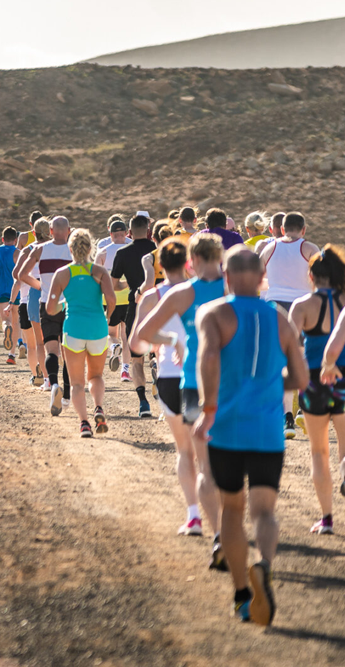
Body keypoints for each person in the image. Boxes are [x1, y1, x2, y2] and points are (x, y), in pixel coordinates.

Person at [194, 247, 308, 625]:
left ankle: (243, 594)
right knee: (264, 511)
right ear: (263, 277)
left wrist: (208, 410)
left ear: (226, 277)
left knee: (232, 509)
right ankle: (266, 565)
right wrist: (272, 388)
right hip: (267, 429)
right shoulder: (281, 319)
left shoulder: (213, 313)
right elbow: (302, 380)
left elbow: (209, 358)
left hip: (226, 426)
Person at [134, 234, 226, 563]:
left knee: (199, 460)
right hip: (230, 382)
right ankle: (228, 527)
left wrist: (173, 340)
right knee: (227, 459)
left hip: (190, 383)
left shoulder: (180, 294)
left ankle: (212, 530)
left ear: (193, 261)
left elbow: (140, 338)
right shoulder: (232, 289)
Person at [288, 244, 345, 534]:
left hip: (313, 378)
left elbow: (288, 344)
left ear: (311, 276)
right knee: (344, 438)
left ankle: (326, 520)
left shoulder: (302, 305)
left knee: (318, 451)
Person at [48, 229, 116, 437]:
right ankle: (98, 408)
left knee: (77, 383)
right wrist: (107, 317)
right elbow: (111, 300)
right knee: (95, 376)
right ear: (90, 248)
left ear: (70, 248)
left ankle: (84, 424)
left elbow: (50, 310)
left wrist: (65, 302)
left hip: (73, 330)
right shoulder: (99, 271)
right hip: (97, 328)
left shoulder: (62, 274)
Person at [261, 211, 319, 436]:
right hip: (303, 305)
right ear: (303, 230)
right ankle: (303, 409)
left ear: (282, 229)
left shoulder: (269, 248)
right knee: (304, 358)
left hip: (275, 306)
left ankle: (286, 419)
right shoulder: (310, 248)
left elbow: (258, 276)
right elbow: (319, 277)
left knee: (281, 362)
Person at [19, 216, 73, 415]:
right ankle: (67, 395)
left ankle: (54, 383)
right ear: (68, 230)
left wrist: (41, 286)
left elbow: (21, 274)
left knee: (51, 348)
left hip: (47, 303)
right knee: (68, 351)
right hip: (69, 304)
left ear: (50, 231)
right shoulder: (73, 249)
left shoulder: (40, 249)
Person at [110, 214, 157, 417]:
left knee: (136, 359)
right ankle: (157, 368)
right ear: (149, 231)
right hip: (159, 305)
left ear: (129, 233)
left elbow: (113, 285)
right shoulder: (158, 250)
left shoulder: (122, 253)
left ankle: (143, 402)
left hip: (135, 307)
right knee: (159, 351)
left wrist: (130, 284)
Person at [14, 217, 51, 387]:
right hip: (55, 292)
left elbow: (17, 274)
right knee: (58, 340)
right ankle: (63, 377)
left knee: (38, 343)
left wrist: (36, 284)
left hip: (34, 294)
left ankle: (45, 378)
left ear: (33, 232)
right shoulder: (55, 248)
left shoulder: (28, 249)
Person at [95, 219, 131, 375]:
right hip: (130, 298)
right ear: (125, 233)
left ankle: (114, 347)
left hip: (109, 298)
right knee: (126, 335)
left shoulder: (102, 252)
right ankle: (125, 370)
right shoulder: (132, 250)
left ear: (110, 234)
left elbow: (95, 279)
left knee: (111, 333)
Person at [0, 227, 21, 365]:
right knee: (16, 322)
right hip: (16, 291)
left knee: (5, 320)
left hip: (0, 290)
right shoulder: (18, 253)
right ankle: (12, 354)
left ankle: (5, 329)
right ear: (15, 240)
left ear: (2, 239)